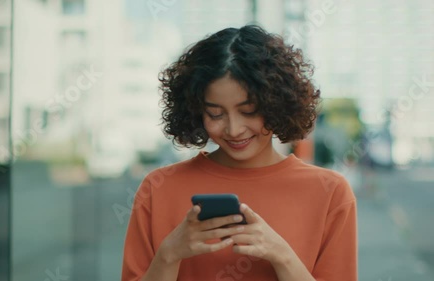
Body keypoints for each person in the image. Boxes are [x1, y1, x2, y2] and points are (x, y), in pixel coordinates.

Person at [121, 25, 357, 281]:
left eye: (248, 111)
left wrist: (282, 256)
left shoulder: (330, 192)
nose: (234, 129)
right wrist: (169, 254)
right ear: (196, 110)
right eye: (216, 114)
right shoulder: (158, 188)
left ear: (276, 104)